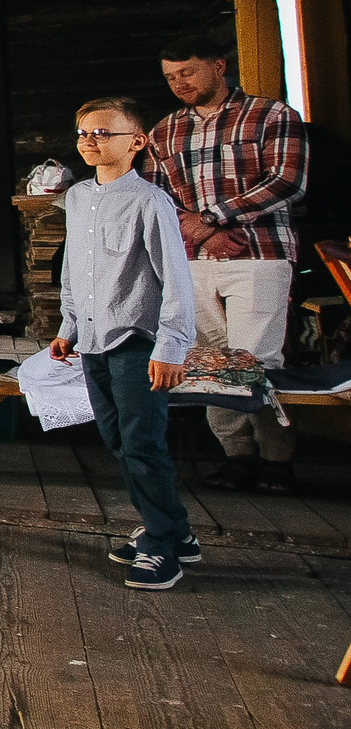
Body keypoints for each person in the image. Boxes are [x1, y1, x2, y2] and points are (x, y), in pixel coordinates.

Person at [145, 33, 311, 493]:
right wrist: (203, 230)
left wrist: (214, 218)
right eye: (171, 77)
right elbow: (156, 196)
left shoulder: (272, 115)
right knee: (208, 359)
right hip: (193, 259)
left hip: (260, 255)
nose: (179, 83)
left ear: (218, 65)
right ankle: (236, 454)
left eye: (188, 72)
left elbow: (287, 181)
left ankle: (277, 458)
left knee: (255, 357)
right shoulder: (165, 130)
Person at [51, 96, 198, 590]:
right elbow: (73, 267)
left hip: (137, 338)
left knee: (141, 441)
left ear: (136, 143)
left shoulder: (150, 200)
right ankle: (177, 531)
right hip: (93, 336)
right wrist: (69, 326)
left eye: (103, 134)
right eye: (84, 134)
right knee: (116, 437)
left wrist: (171, 346)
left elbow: (176, 278)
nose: (90, 142)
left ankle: (161, 544)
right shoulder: (76, 198)